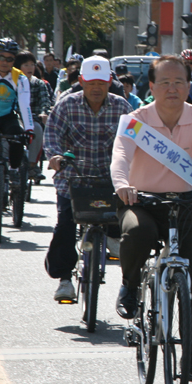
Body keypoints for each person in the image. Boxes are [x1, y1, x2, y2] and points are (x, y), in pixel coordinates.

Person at [111, 54, 192, 383]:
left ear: (188, 86)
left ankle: (191, 354)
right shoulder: (135, 120)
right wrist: (123, 185)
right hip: (140, 200)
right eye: (164, 82)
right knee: (137, 233)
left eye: (179, 81)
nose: (172, 88)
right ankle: (129, 284)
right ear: (151, 87)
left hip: (185, 204)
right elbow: (121, 155)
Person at [44, 56, 132, 301]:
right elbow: (52, 136)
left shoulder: (122, 107)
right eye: (91, 82)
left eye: (102, 83)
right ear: (81, 81)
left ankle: (128, 281)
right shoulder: (66, 105)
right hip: (73, 180)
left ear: (109, 82)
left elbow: (135, 140)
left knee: (126, 224)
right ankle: (64, 279)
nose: (96, 88)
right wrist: (55, 157)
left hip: (110, 180)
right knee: (65, 226)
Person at [0, 38, 34, 224]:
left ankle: (14, 171)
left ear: (14, 60)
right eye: (1, 57)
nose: (5, 62)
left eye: (10, 59)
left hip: (9, 117)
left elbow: (25, 105)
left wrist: (29, 128)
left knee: (17, 137)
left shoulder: (21, 78)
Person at [13, 51, 52, 179]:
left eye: (32, 64)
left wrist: (43, 113)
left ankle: (32, 165)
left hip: (32, 119)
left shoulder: (39, 84)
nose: (30, 68)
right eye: (26, 65)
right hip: (14, 119)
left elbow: (44, 102)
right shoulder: (11, 82)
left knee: (37, 129)